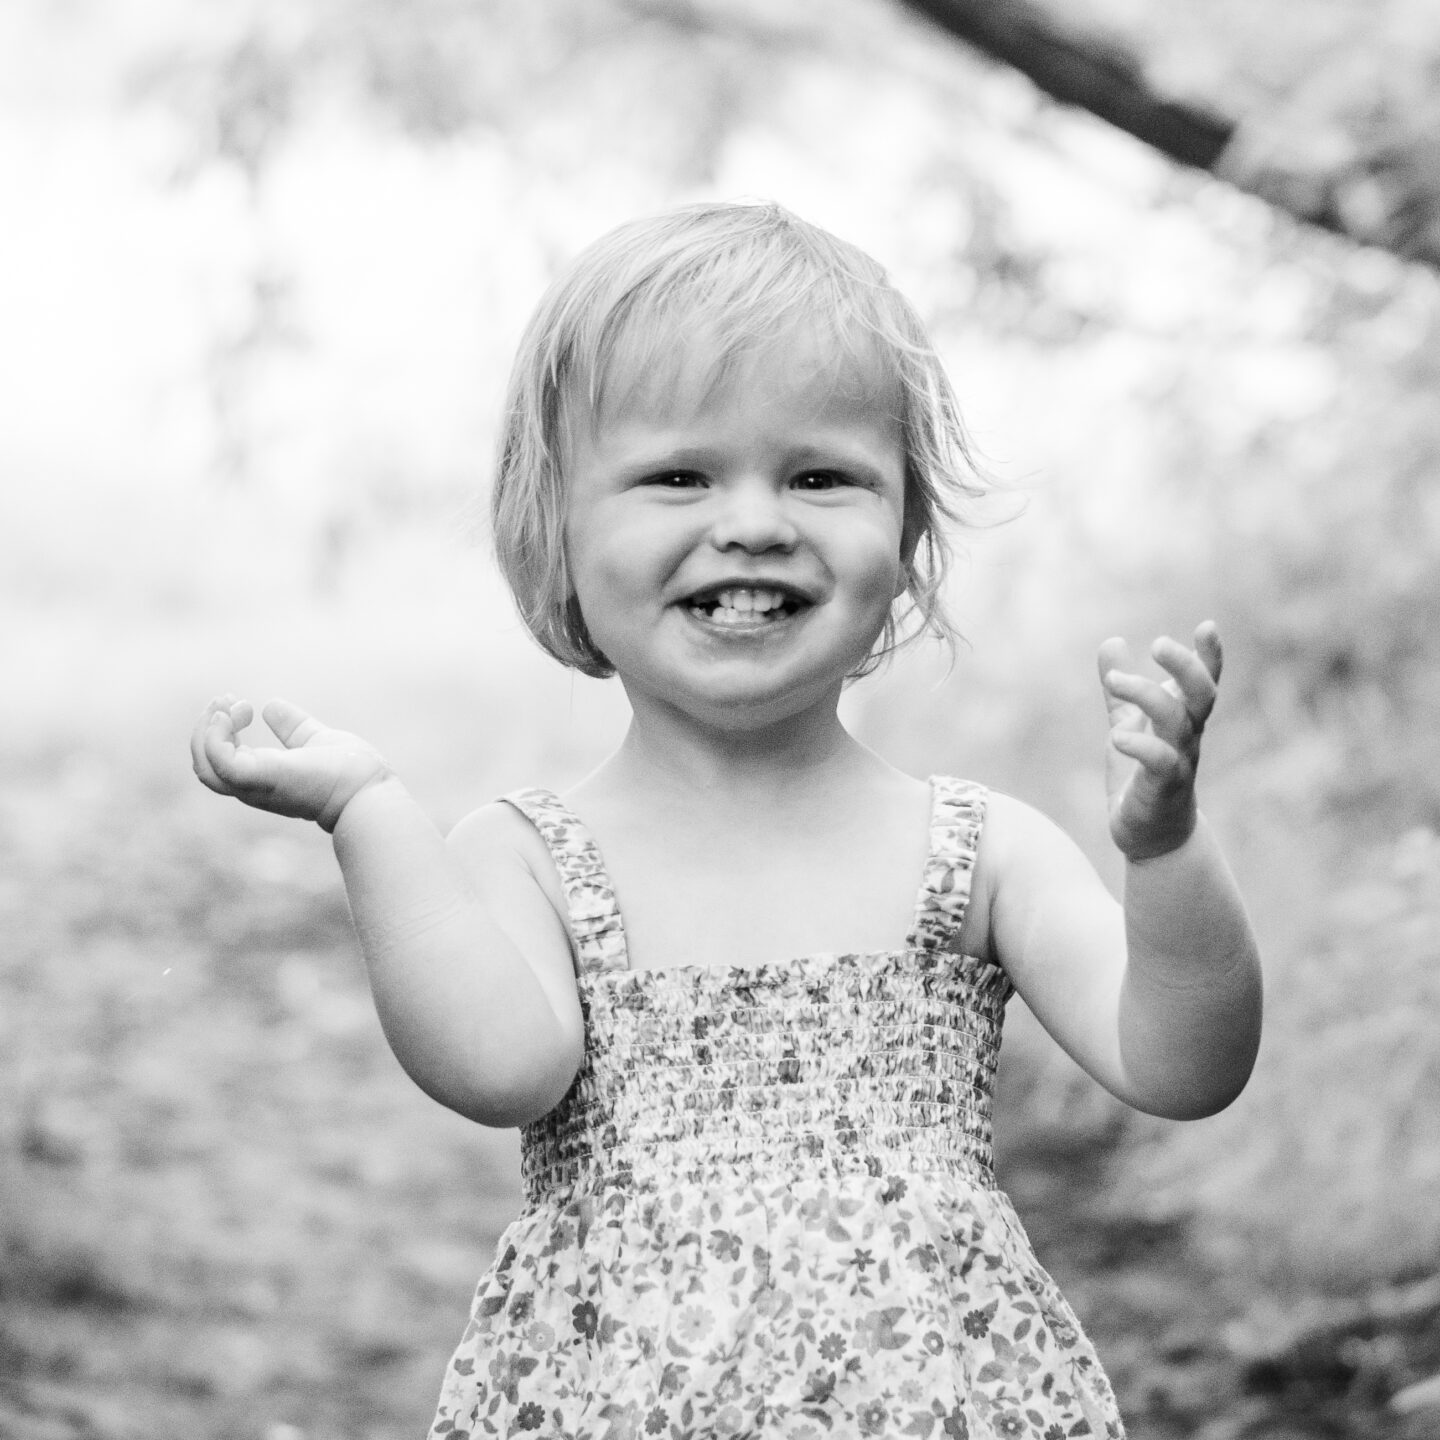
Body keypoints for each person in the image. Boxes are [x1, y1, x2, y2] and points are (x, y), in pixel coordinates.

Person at [190, 201, 1262, 1440]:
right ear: (562, 531)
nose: (753, 521)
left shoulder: (978, 851)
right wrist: (365, 812)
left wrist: (1168, 848)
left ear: (905, 536)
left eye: (819, 475)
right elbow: (497, 1071)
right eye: (678, 476)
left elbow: (1183, 1066)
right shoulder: (531, 860)